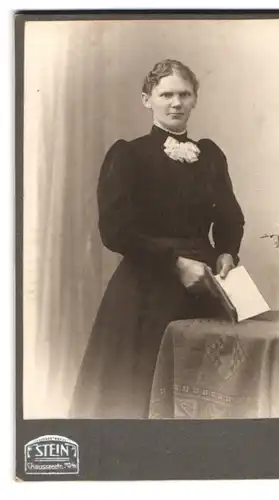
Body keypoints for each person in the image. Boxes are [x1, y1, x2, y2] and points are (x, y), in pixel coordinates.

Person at [69, 59, 245, 419]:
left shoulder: (210, 155)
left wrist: (227, 253)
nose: (176, 103)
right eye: (166, 95)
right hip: (147, 286)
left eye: (184, 94)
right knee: (136, 393)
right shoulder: (129, 154)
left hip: (205, 287)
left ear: (195, 99)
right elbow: (115, 230)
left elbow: (230, 217)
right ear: (146, 99)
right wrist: (175, 262)